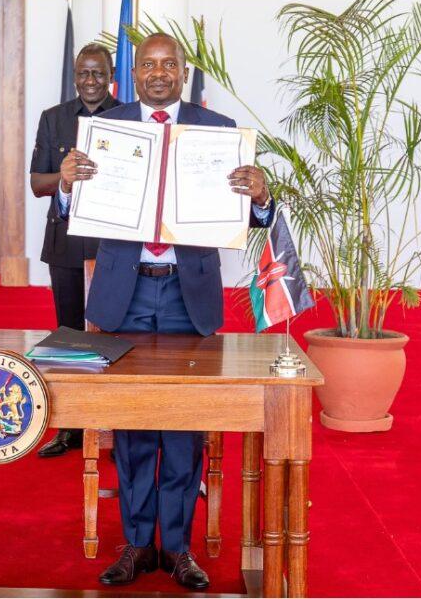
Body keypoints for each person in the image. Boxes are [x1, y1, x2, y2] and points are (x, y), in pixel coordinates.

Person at [58, 33, 274, 591]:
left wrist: (260, 198)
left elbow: (247, 219)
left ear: (183, 71)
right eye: (148, 65)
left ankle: (176, 548)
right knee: (132, 427)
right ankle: (135, 543)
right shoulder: (107, 128)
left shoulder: (217, 129)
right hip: (124, 294)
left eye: (169, 65)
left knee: (183, 426)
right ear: (133, 74)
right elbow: (70, 211)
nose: (159, 74)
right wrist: (65, 186)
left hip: (187, 294)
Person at [30, 43, 120, 458]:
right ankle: (68, 428)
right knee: (68, 335)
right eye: (83, 73)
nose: (90, 81)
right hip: (65, 242)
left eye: (98, 74)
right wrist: (63, 179)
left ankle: (117, 424)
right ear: (74, 76)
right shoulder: (53, 119)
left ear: (111, 74)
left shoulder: (130, 117)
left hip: (116, 246)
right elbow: (36, 184)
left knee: (116, 333)